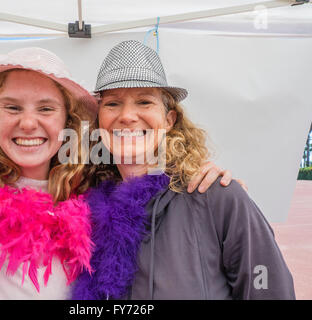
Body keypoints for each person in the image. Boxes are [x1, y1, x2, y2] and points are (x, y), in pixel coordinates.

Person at [0, 46, 234, 300]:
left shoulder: (88, 192)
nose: (28, 123)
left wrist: (196, 171)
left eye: (46, 108)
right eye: (12, 107)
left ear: (67, 122)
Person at [72, 40, 295, 300]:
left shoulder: (217, 197)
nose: (128, 116)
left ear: (169, 120)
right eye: (112, 104)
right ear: (99, 121)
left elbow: (270, 291)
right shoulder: (84, 206)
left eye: (144, 102)